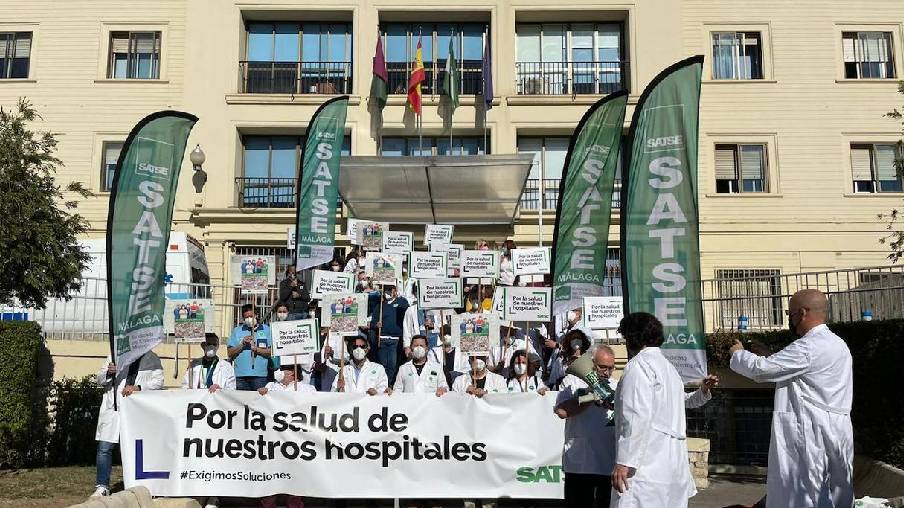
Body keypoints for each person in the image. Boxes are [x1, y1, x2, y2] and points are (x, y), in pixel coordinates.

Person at [729, 289, 854, 508]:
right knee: (837, 487)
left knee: (806, 489)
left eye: (790, 314)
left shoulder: (809, 346)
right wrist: (770, 355)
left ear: (803, 313)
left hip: (810, 427)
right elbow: (800, 372)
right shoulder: (837, 343)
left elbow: (761, 370)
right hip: (836, 426)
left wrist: (738, 354)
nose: (790, 319)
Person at [610, 312, 716, 507]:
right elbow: (682, 402)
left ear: (631, 337)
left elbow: (635, 416)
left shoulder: (639, 366)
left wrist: (625, 461)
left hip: (646, 467)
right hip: (672, 468)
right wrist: (702, 391)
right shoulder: (669, 369)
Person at [91, 352, 164, 497]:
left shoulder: (152, 358)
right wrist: (108, 373)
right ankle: (102, 486)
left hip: (136, 410)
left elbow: (159, 382)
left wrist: (139, 387)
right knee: (104, 448)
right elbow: (99, 379)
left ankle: (140, 485)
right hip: (113, 408)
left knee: (137, 449)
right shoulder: (115, 355)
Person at [554, 345, 618, 508]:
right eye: (602, 367)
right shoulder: (572, 381)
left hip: (608, 463)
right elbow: (562, 411)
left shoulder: (617, 385)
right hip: (580, 464)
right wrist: (591, 397)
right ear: (591, 364)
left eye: (611, 368)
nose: (607, 372)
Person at [368, 284, 409, 385]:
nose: (388, 292)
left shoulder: (402, 302)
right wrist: (376, 324)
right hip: (382, 339)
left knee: (392, 364)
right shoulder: (380, 306)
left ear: (395, 290)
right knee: (383, 364)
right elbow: (372, 322)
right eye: (386, 290)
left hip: (396, 339)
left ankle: (390, 383)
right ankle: (383, 384)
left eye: (390, 289)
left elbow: (408, 314)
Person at [227, 304, 272, 391]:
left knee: (259, 399)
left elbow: (272, 352)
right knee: (241, 399)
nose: (249, 319)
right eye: (246, 317)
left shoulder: (266, 329)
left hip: (260, 376)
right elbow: (230, 353)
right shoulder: (237, 331)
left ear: (257, 315)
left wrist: (257, 350)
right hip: (240, 376)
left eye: (251, 316)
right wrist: (242, 345)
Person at [402, 285, 441, 355]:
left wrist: (433, 325)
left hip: (434, 343)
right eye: (417, 292)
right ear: (414, 294)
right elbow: (406, 329)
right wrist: (407, 346)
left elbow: (442, 325)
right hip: (418, 344)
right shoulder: (410, 310)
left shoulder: (436, 308)